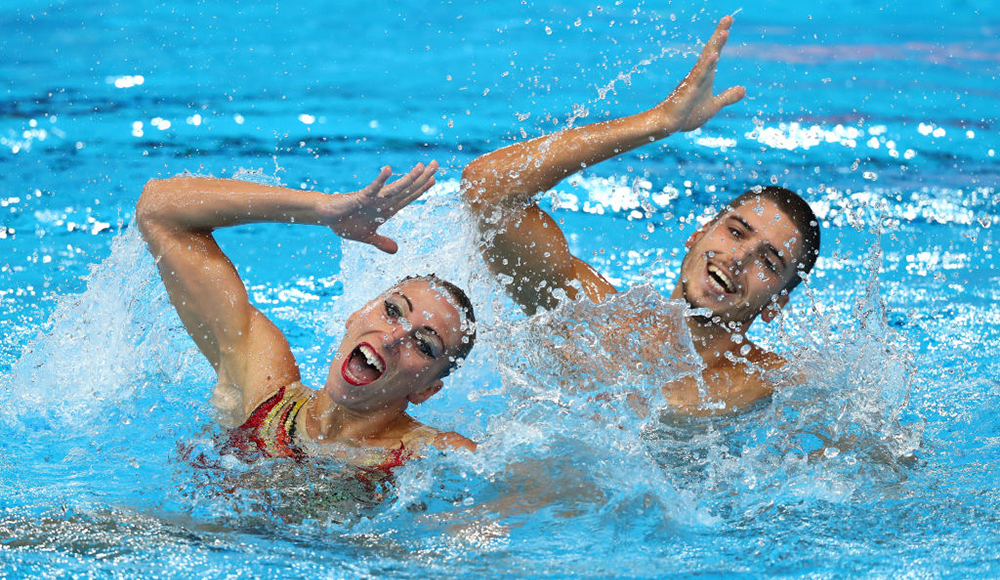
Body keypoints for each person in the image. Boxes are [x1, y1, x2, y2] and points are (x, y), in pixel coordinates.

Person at [461, 16, 820, 414]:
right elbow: (486, 188)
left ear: (775, 306)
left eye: (768, 262)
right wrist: (660, 122)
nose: (738, 258)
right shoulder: (593, 321)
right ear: (697, 234)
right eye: (736, 233)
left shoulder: (776, 382)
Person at [136, 161, 478, 472]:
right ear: (356, 314)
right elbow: (159, 209)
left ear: (426, 390)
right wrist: (322, 209)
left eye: (423, 345)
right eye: (392, 311)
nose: (392, 338)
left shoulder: (431, 454)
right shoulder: (264, 392)